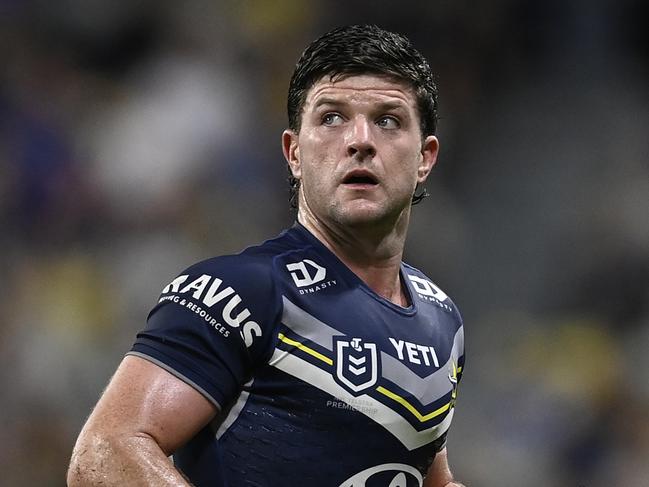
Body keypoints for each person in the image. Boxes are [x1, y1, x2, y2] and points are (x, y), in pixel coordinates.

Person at [68, 24, 466, 487]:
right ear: (294, 152)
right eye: (332, 117)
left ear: (425, 157)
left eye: (388, 120)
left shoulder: (444, 322)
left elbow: (417, 470)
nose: (360, 140)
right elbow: (106, 451)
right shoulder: (240, 291)